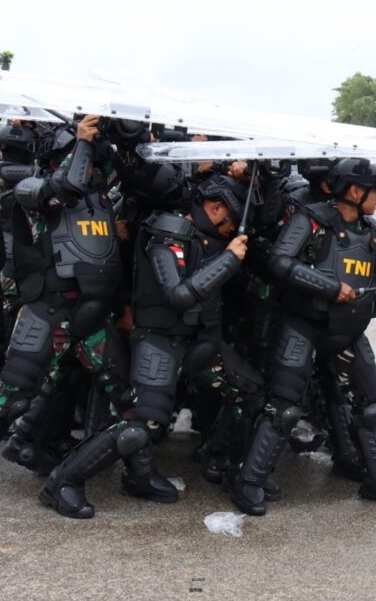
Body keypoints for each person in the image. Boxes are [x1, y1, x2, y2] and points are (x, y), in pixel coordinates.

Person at [39, 176, 261, 519]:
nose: (232, 229)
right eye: (230, 220)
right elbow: (179, 294)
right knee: (140, 427)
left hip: (197, 342)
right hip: (159, 340)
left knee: (250, 391)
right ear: (215, 208)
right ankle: (63, 482)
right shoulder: (167, 232)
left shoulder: (208, 239)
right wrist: (229, 259)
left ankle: (225, 465)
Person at [228, 158, 376, 515]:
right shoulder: (310, 219)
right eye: (374, 191)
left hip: (348, 333)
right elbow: (279, 261)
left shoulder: (373, 231)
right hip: (302, 327)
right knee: (284, 409)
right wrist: (328, 286)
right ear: (354, 191)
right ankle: (249, 481)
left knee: (371, 407)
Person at [0, 115, 130, 509]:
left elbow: (120, 172)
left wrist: (109, 138)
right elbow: (65, 187)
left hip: (92, 315)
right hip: (48, 310)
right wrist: (81, 142)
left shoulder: (99, 195)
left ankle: (65, 480)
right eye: (80, 156)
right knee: (13, 398)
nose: (90, 166)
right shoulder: (31, 186)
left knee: (128, 403)